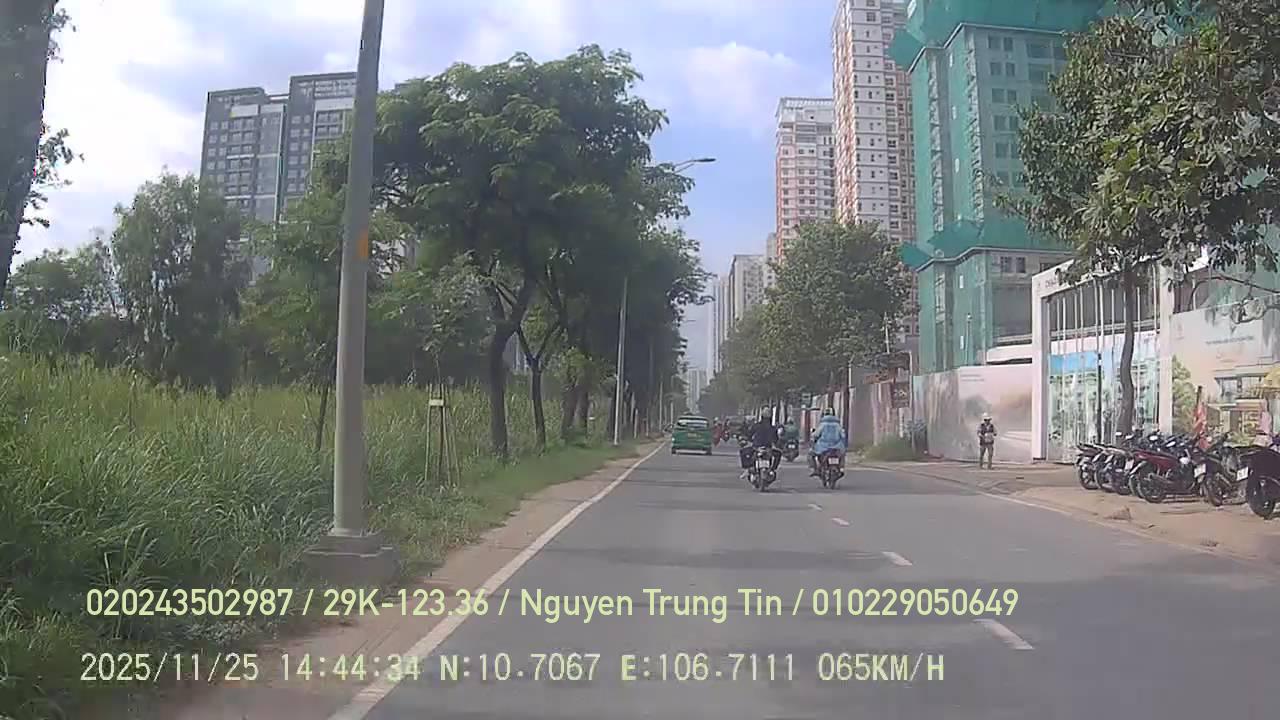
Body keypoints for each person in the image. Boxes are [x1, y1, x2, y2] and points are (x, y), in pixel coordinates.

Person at [809, 409, 848, 476]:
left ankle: (815, 470)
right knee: (842, 455)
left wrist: (813, 439)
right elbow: (843, 436)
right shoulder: (838, 425)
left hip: (823, 447)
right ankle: (841, 468)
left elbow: (815, 435)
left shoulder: (822, 425)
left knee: (811, 454)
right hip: (837, 446)